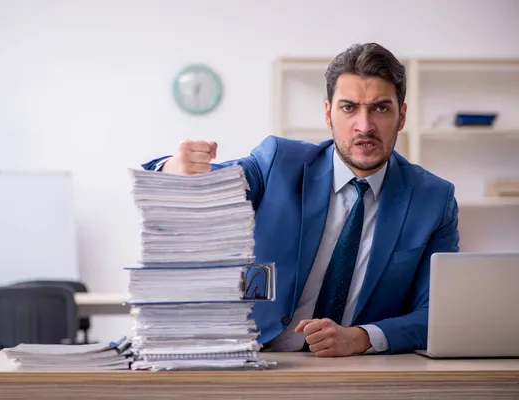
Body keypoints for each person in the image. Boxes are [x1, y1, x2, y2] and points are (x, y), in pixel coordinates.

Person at [141, 42, 460, 357]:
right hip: (259, 358)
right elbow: (215, 180)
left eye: (380, 108)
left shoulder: (432, 199)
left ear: (401, 116)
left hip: (354, 370)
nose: (364, 126)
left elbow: (437, 315)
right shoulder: (278, 163)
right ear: (328, 113)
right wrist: (175, 168)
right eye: (349, 107)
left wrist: (362, 337)